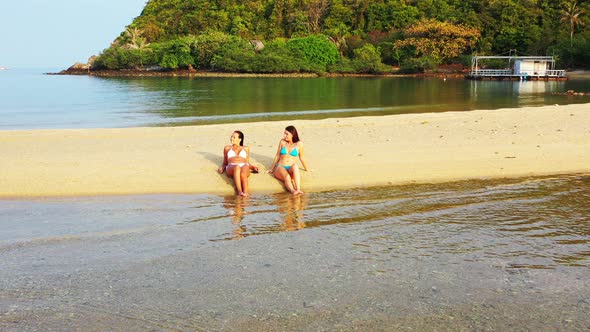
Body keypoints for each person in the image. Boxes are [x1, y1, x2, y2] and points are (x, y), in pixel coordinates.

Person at [267, 125, 309, 195]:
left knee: (295, 166)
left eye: (287, 134)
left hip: (290, 168)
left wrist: (307, 169)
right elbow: (277, 156)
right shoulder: (282, 142)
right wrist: (272, 168)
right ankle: (293, 191)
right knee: (287, 177)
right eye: (284, 133)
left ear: (292, 134)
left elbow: (302, 158)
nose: (284, 135)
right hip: (280, 167)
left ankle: (298, 189)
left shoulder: (299, 144)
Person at [218, 130, 259, 197]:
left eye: (234, 137)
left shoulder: (246, 148)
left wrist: (253, 167)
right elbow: (225, 163)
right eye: (231, 137)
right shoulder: (227, 148)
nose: (231, 138)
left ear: (240, 139)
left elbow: (247, 162)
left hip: (244, 165)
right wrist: (222, 168)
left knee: (243, 172)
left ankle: (245, 193)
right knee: (237, 167)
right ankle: (240, 192)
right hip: (231, 166)